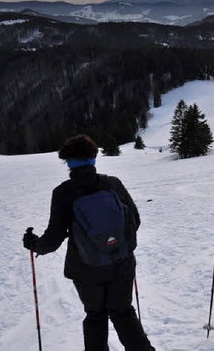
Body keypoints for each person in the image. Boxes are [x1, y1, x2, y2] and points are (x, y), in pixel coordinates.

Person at [22, 134, 154, 350]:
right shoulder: (112, 184)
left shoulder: (64, 193)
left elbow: (53, 239)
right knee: (123, 312)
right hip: (122, 262)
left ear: (68, 162)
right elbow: (135, 221)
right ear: (93, 158)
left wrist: (33, 244)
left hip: (86, 269)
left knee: (95, 316)